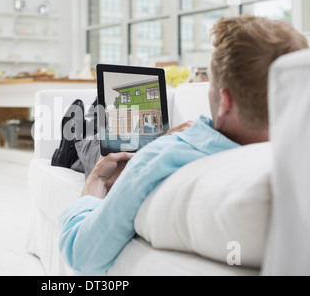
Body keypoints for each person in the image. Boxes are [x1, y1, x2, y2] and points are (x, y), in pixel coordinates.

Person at [54, 15, 309, 276]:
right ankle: (86, 126)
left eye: (210, 83)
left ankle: (77, 134)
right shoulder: (299, 160)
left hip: (130, 163)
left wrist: (95, 180)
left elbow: (81, 253)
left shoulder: (158, 159)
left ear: (225, 102)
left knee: (97, 145)